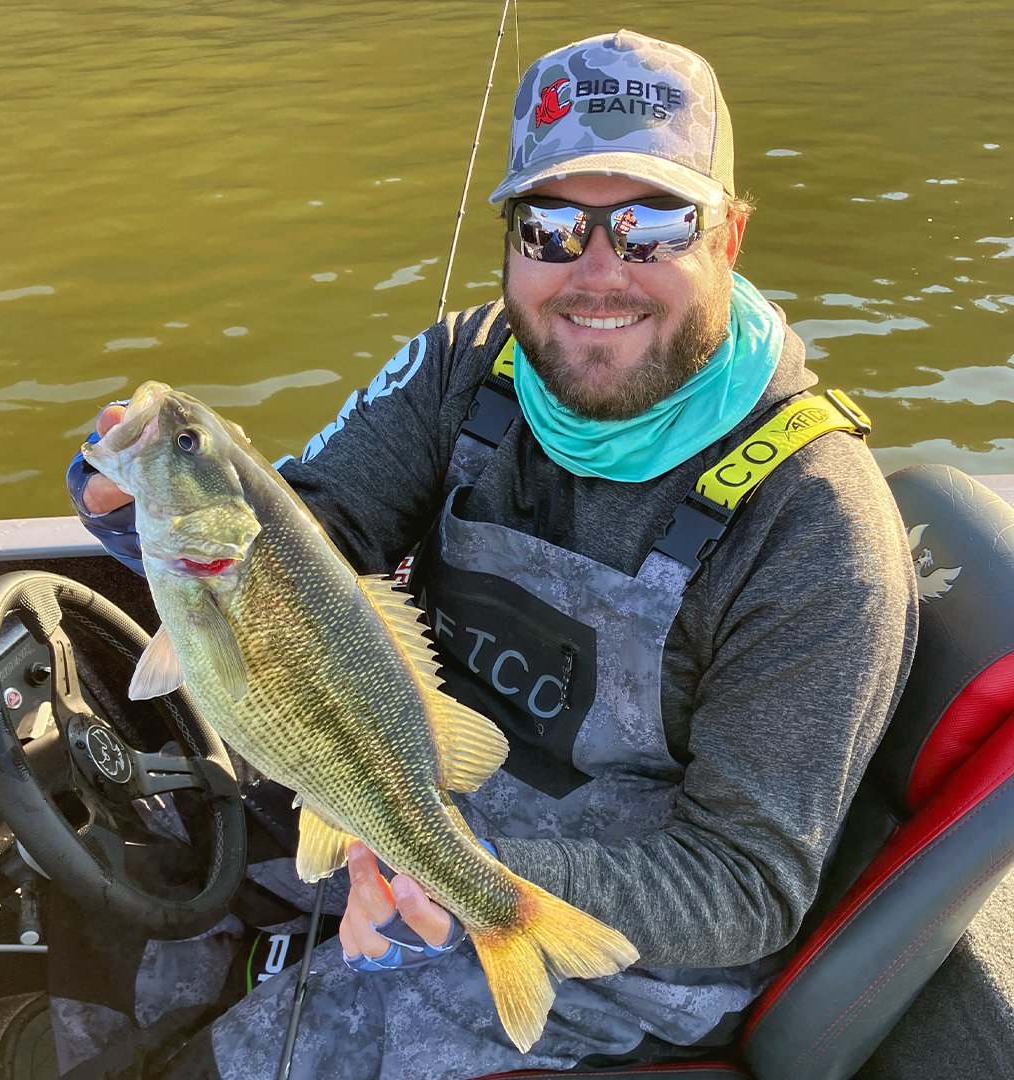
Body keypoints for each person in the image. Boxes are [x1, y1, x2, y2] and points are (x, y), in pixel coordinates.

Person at [59, 29, 917, 1080]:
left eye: (652, 223)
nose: (598, 272)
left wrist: (463, 877)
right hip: (396, 786)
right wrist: (135, 493)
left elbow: (741, 887)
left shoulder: (818, 526)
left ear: (729, 237)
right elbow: (302, 540)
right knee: (106, 850)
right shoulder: (467, 365)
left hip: (621, 943)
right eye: (552, 225)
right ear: (512, 239)